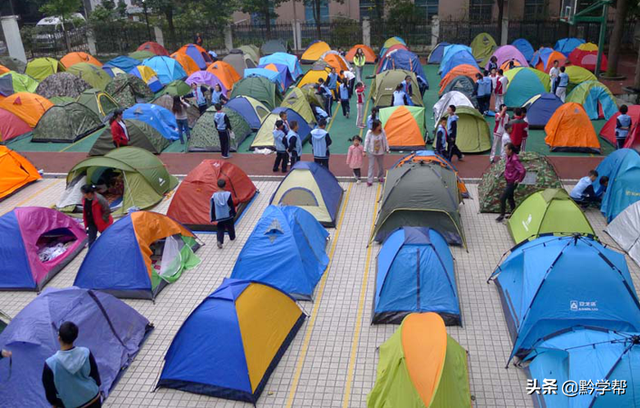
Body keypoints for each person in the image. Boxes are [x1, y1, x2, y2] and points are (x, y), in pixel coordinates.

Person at [43, 321, 102, 408]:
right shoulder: (86, 352)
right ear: (75, 336)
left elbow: (50, 392)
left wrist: (56, 404)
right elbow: (96, 377)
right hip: (93, 398)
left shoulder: (50, 364)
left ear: (59, 338)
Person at [496, 143, 526, 222]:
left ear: (510, 150)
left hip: (512, 182)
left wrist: (519, 179)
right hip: (508, 180)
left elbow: (522, 170)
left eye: (506, 149)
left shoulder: (514, 159)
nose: (505, 151)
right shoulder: (508, 157)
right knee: (510, 197)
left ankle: (502, 215)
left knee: (502, 198)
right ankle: (513, 213)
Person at [210, 179, 236, 249]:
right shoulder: (228, 194)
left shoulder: (214, 196)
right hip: (228, 215)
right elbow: (231, 204)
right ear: (225, 186)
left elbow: (212, 207)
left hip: (219, 215)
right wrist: (233, 213)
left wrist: (213, 217)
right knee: (230, 226)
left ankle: (220, 241)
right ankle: (232, 237)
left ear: (217, 186)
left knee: (220, 228)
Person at [364, 120, 389, 186]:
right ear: (375, 126)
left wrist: (387, 148)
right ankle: (370, 180)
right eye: (379, 125)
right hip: (372, 151)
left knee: (381, 166)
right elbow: (366, 141)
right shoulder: (369, 132)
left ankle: (380, 177)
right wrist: (364, 150)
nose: (381, 127)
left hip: (380, 151)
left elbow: (385, 139)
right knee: (371, 166)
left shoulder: (382, 131)